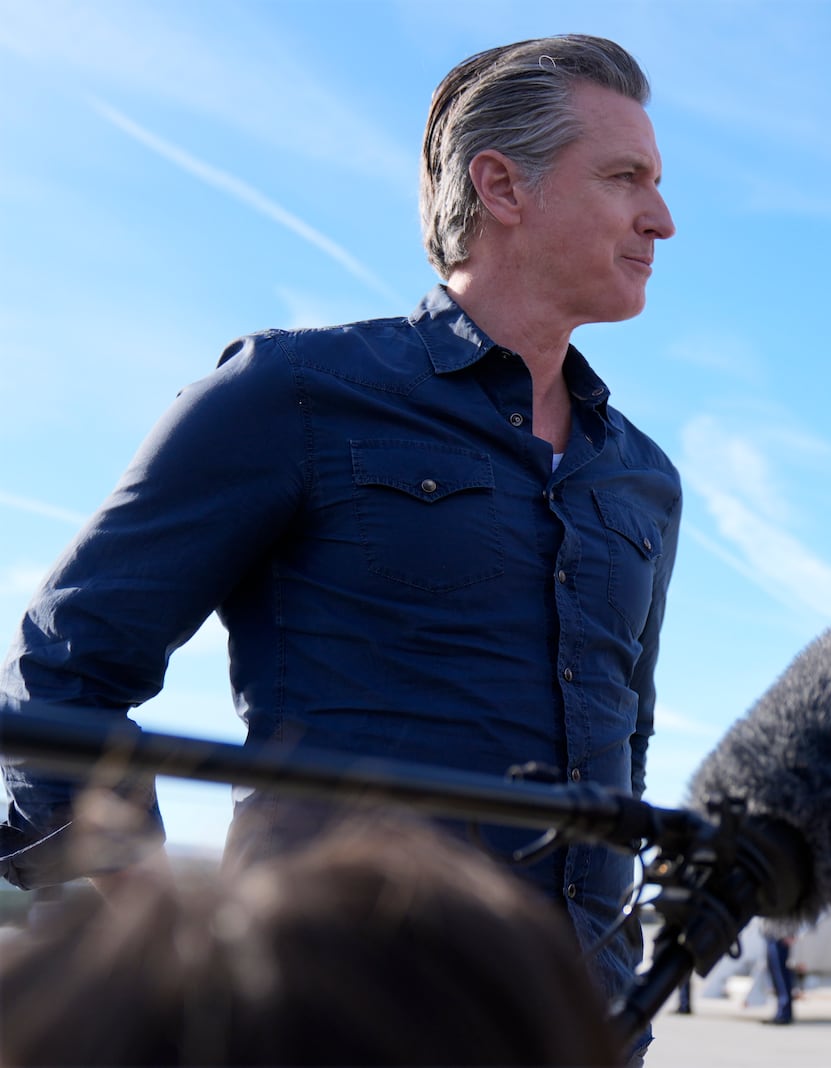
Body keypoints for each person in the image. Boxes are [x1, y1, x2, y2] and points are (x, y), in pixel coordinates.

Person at [0, 33, 679, 1034]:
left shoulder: (643, 478)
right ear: (501, 186)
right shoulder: (294, 394)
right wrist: (167, 928)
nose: (660, 219)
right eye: (626, 178)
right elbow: (63, 670)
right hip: (337, 1019)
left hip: (580, 1015)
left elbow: (629, 742)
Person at [0, 804, 624, 1066]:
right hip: (303, 1006)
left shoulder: (656, 518)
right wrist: (172, 959)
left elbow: (629, 731)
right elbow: (68, 662)